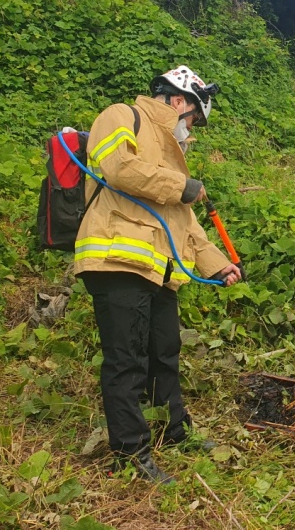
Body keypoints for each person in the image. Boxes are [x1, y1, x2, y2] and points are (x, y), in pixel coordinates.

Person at [73, 66, 243, 484]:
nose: (193, 129)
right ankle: (131, 454)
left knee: (165, 353)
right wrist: (181, 185)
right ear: (179, 101)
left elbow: (185, 225)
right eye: (194, 120)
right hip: (116, 261)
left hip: (158, 270)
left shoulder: (171, 154)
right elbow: (118, 168)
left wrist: (217, 264)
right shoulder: (120, 116)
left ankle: (174, 432)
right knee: (126, 360)